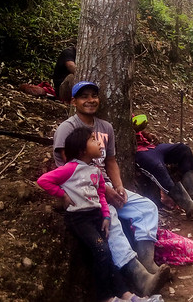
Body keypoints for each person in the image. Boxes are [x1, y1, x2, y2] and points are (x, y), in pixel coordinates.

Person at [53, 81, 171, 296]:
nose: (90, 100)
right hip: (82, 187)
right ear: (74, 102)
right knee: (112, 217)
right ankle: (139, 276)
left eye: (93, 95)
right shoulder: (67, 128)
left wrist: (118, 187)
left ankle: (147, 263)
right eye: (84, 97)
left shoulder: (105, 127)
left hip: (105, 184)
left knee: (146, 207)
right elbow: (67, 162)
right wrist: (105, 190)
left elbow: (112, 161)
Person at [38, 127, 164, 302]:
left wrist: (105, 216)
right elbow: (43, 180)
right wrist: (63, 195)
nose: (99, 142)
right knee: (101, 250)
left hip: (95, 216)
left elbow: (101, 195)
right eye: (93, 140)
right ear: (82, 150)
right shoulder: (70, 169)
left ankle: (127, 295)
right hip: (79, 218)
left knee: (107, 252)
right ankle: (106, 297)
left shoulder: (95, 171)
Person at [132, 114, 193, 215]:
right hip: (139, 152)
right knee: (158, 167)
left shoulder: (126, 111)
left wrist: (147, 134)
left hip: (151, 147)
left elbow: (138, 130)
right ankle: (188, 205)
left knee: (183, 150)